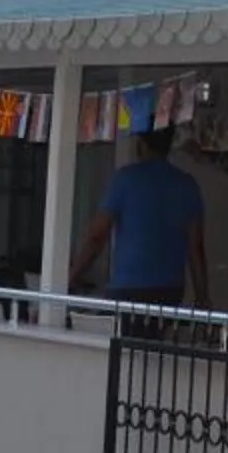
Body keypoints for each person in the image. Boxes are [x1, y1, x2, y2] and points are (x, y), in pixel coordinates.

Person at [67, 128, 208, 320]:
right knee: (155, 347)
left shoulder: (125, 180)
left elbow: (96, 237)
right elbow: (195, 247)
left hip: (128, 289)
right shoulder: (186, 185)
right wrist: (202, 296)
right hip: (169, 291)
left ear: (141, 143)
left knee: (115, 344)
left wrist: (71, 278)